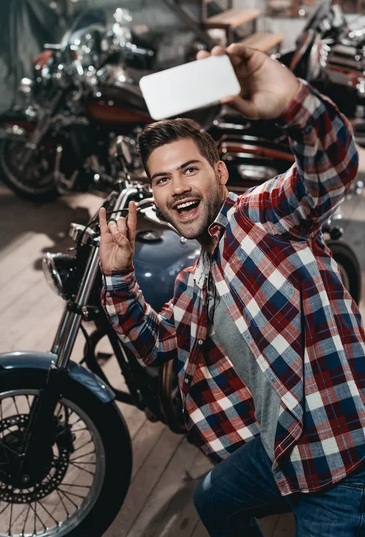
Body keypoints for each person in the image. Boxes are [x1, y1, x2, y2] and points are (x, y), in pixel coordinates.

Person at [98, 43, 365, 536]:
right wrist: (118, 277)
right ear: (153, 195)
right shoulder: (195, 280)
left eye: (189, 169)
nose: (177, 186)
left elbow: (333, 168)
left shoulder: (262, 216)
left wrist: (292, 102)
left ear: (220, 172)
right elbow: (153, 345)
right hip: (284, 447)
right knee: (213, 500)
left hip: (343, 460)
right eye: (162, 178)